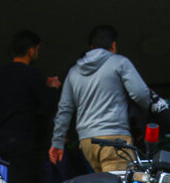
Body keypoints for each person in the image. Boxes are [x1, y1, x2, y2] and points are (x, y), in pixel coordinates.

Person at [49, 24, 151, 173]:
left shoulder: (73, 72)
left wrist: (57, 143)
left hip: (87, 143)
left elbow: (64, 110)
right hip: (115, 139)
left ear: (91, 47)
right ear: (114, 45)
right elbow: (140, 94)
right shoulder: (119, 62)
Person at [0, 30, 61, 183]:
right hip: (26, 143)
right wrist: (53, 88)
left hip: (1, 143)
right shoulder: (32, 75)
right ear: (31, 51)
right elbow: (48, 105)